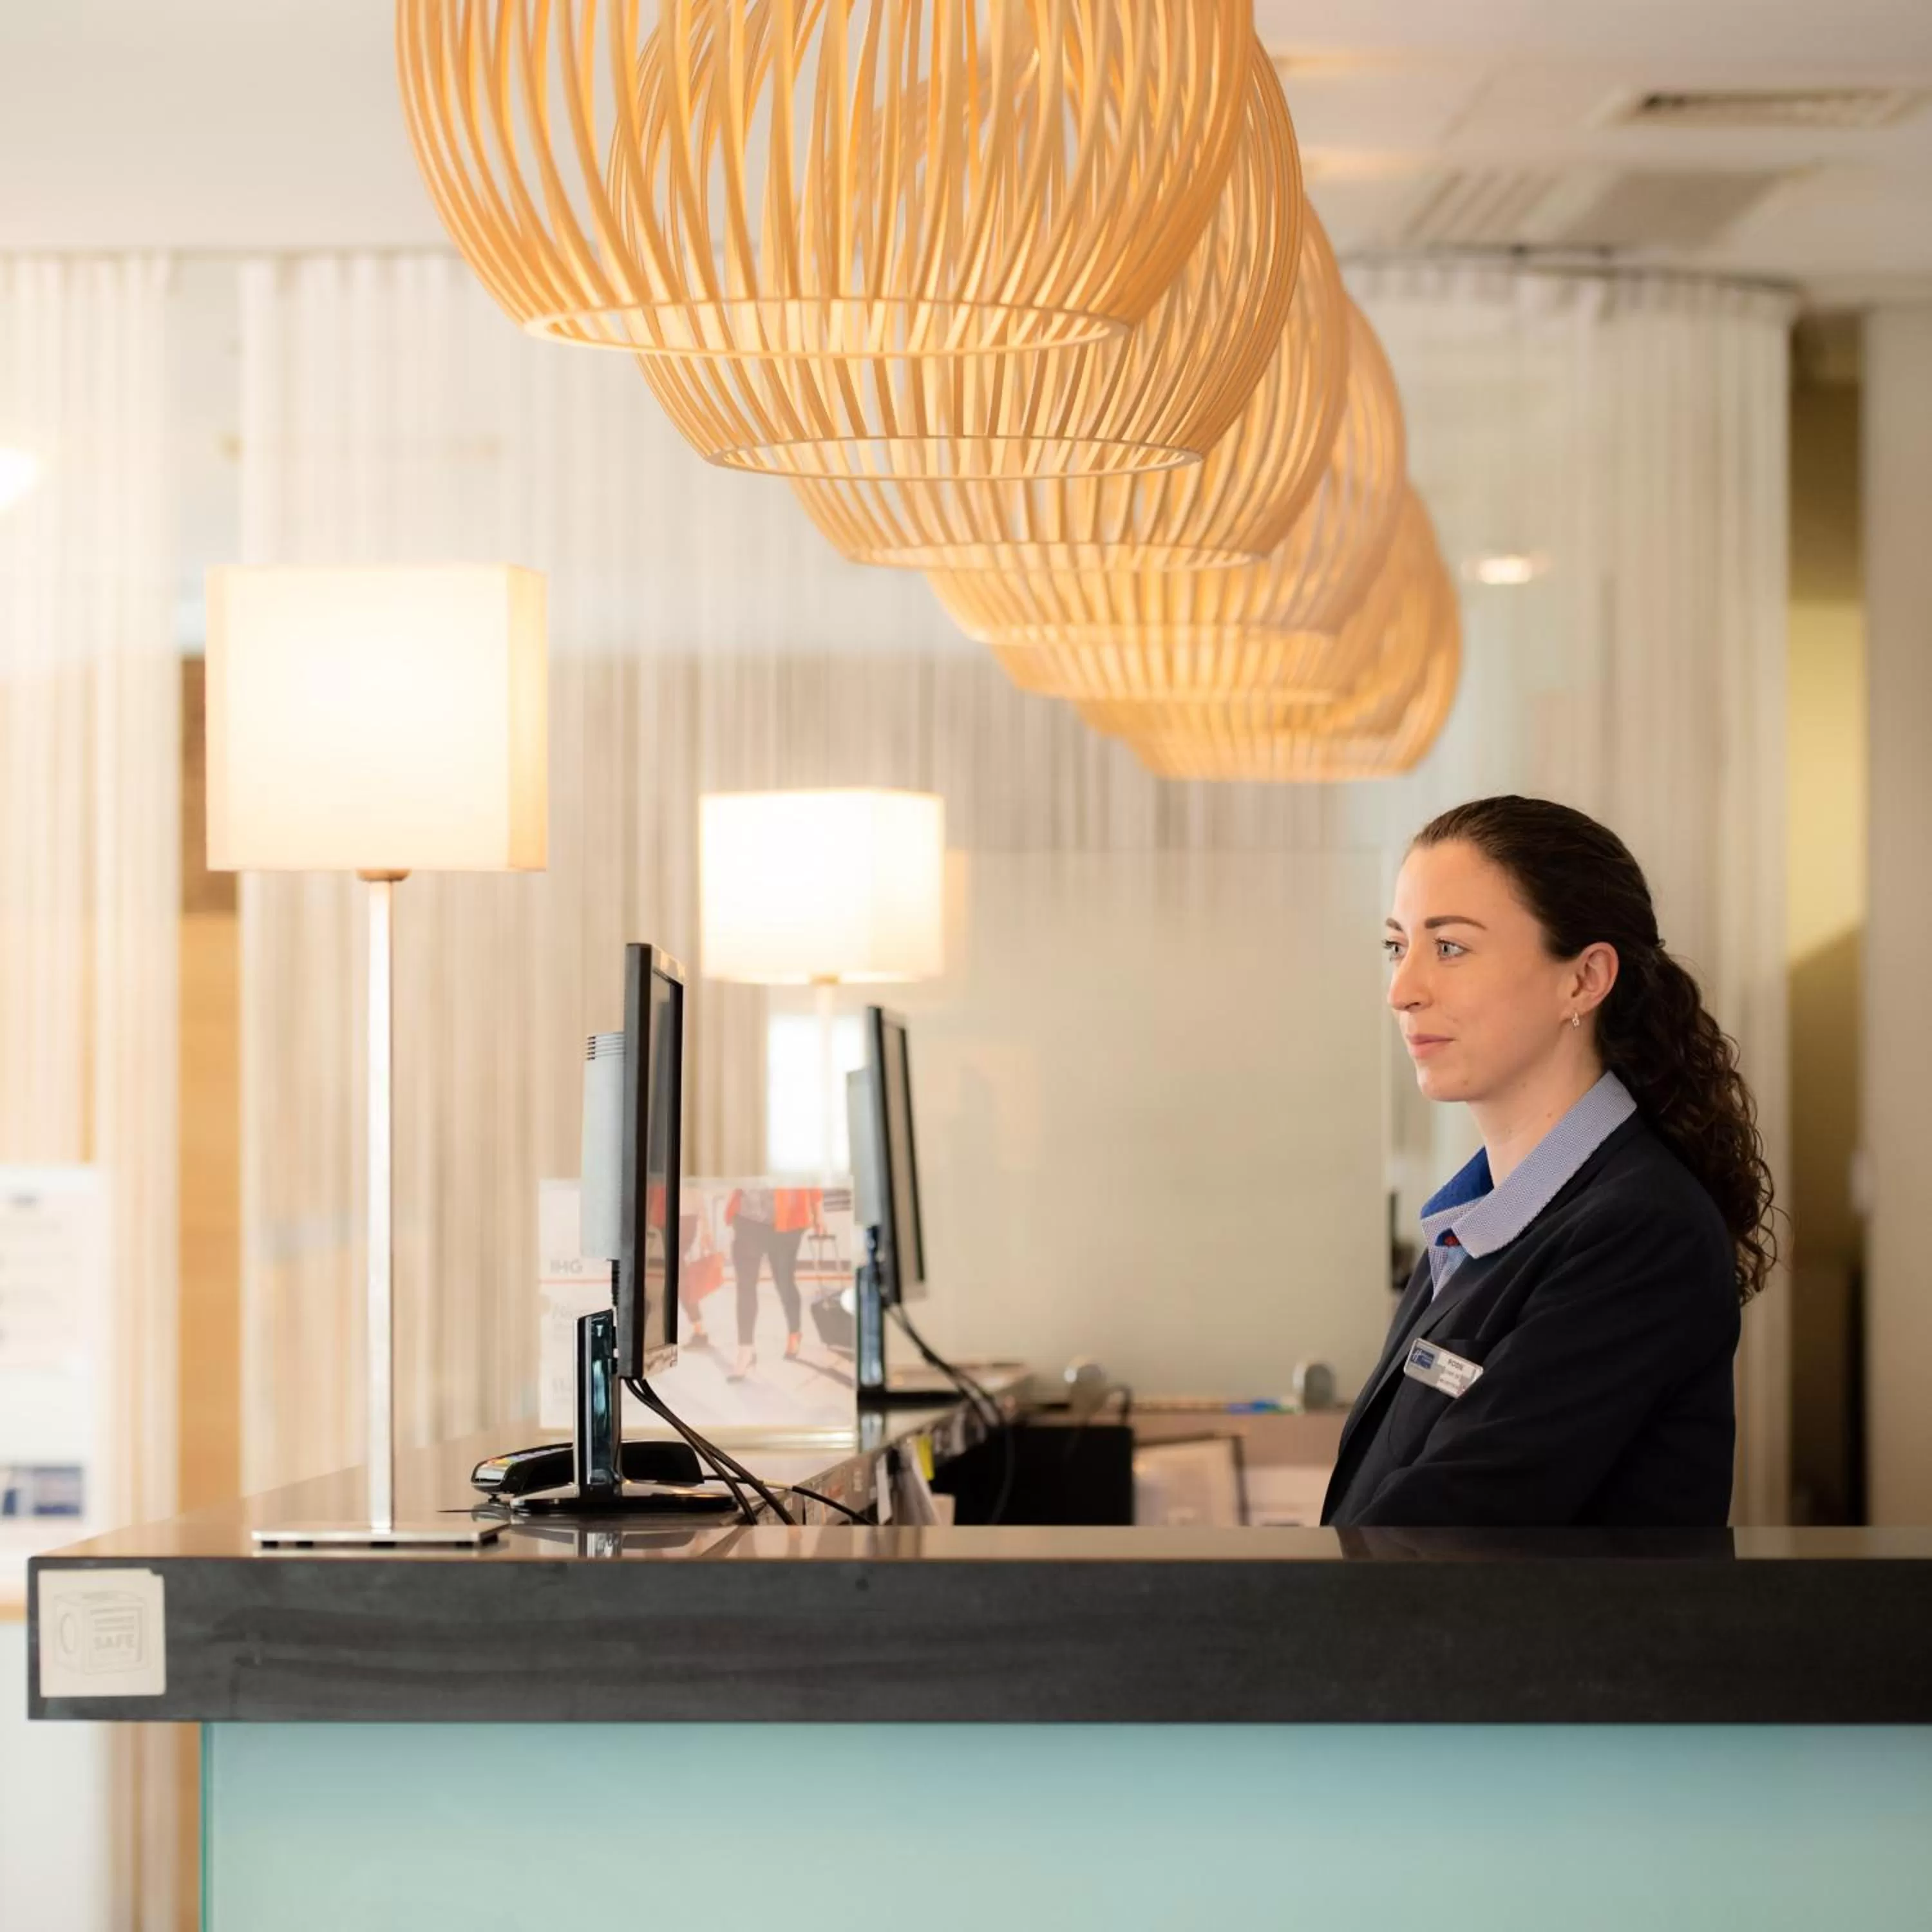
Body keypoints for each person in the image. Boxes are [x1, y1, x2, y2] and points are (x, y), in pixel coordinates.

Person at [1321, 796, 1776, 1529]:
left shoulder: (1640, 1231)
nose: (1403, 991)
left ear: (1584, 980)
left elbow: (1446, 1526)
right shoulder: (1467, 1230)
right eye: (1396, 947)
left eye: (1451, 948)